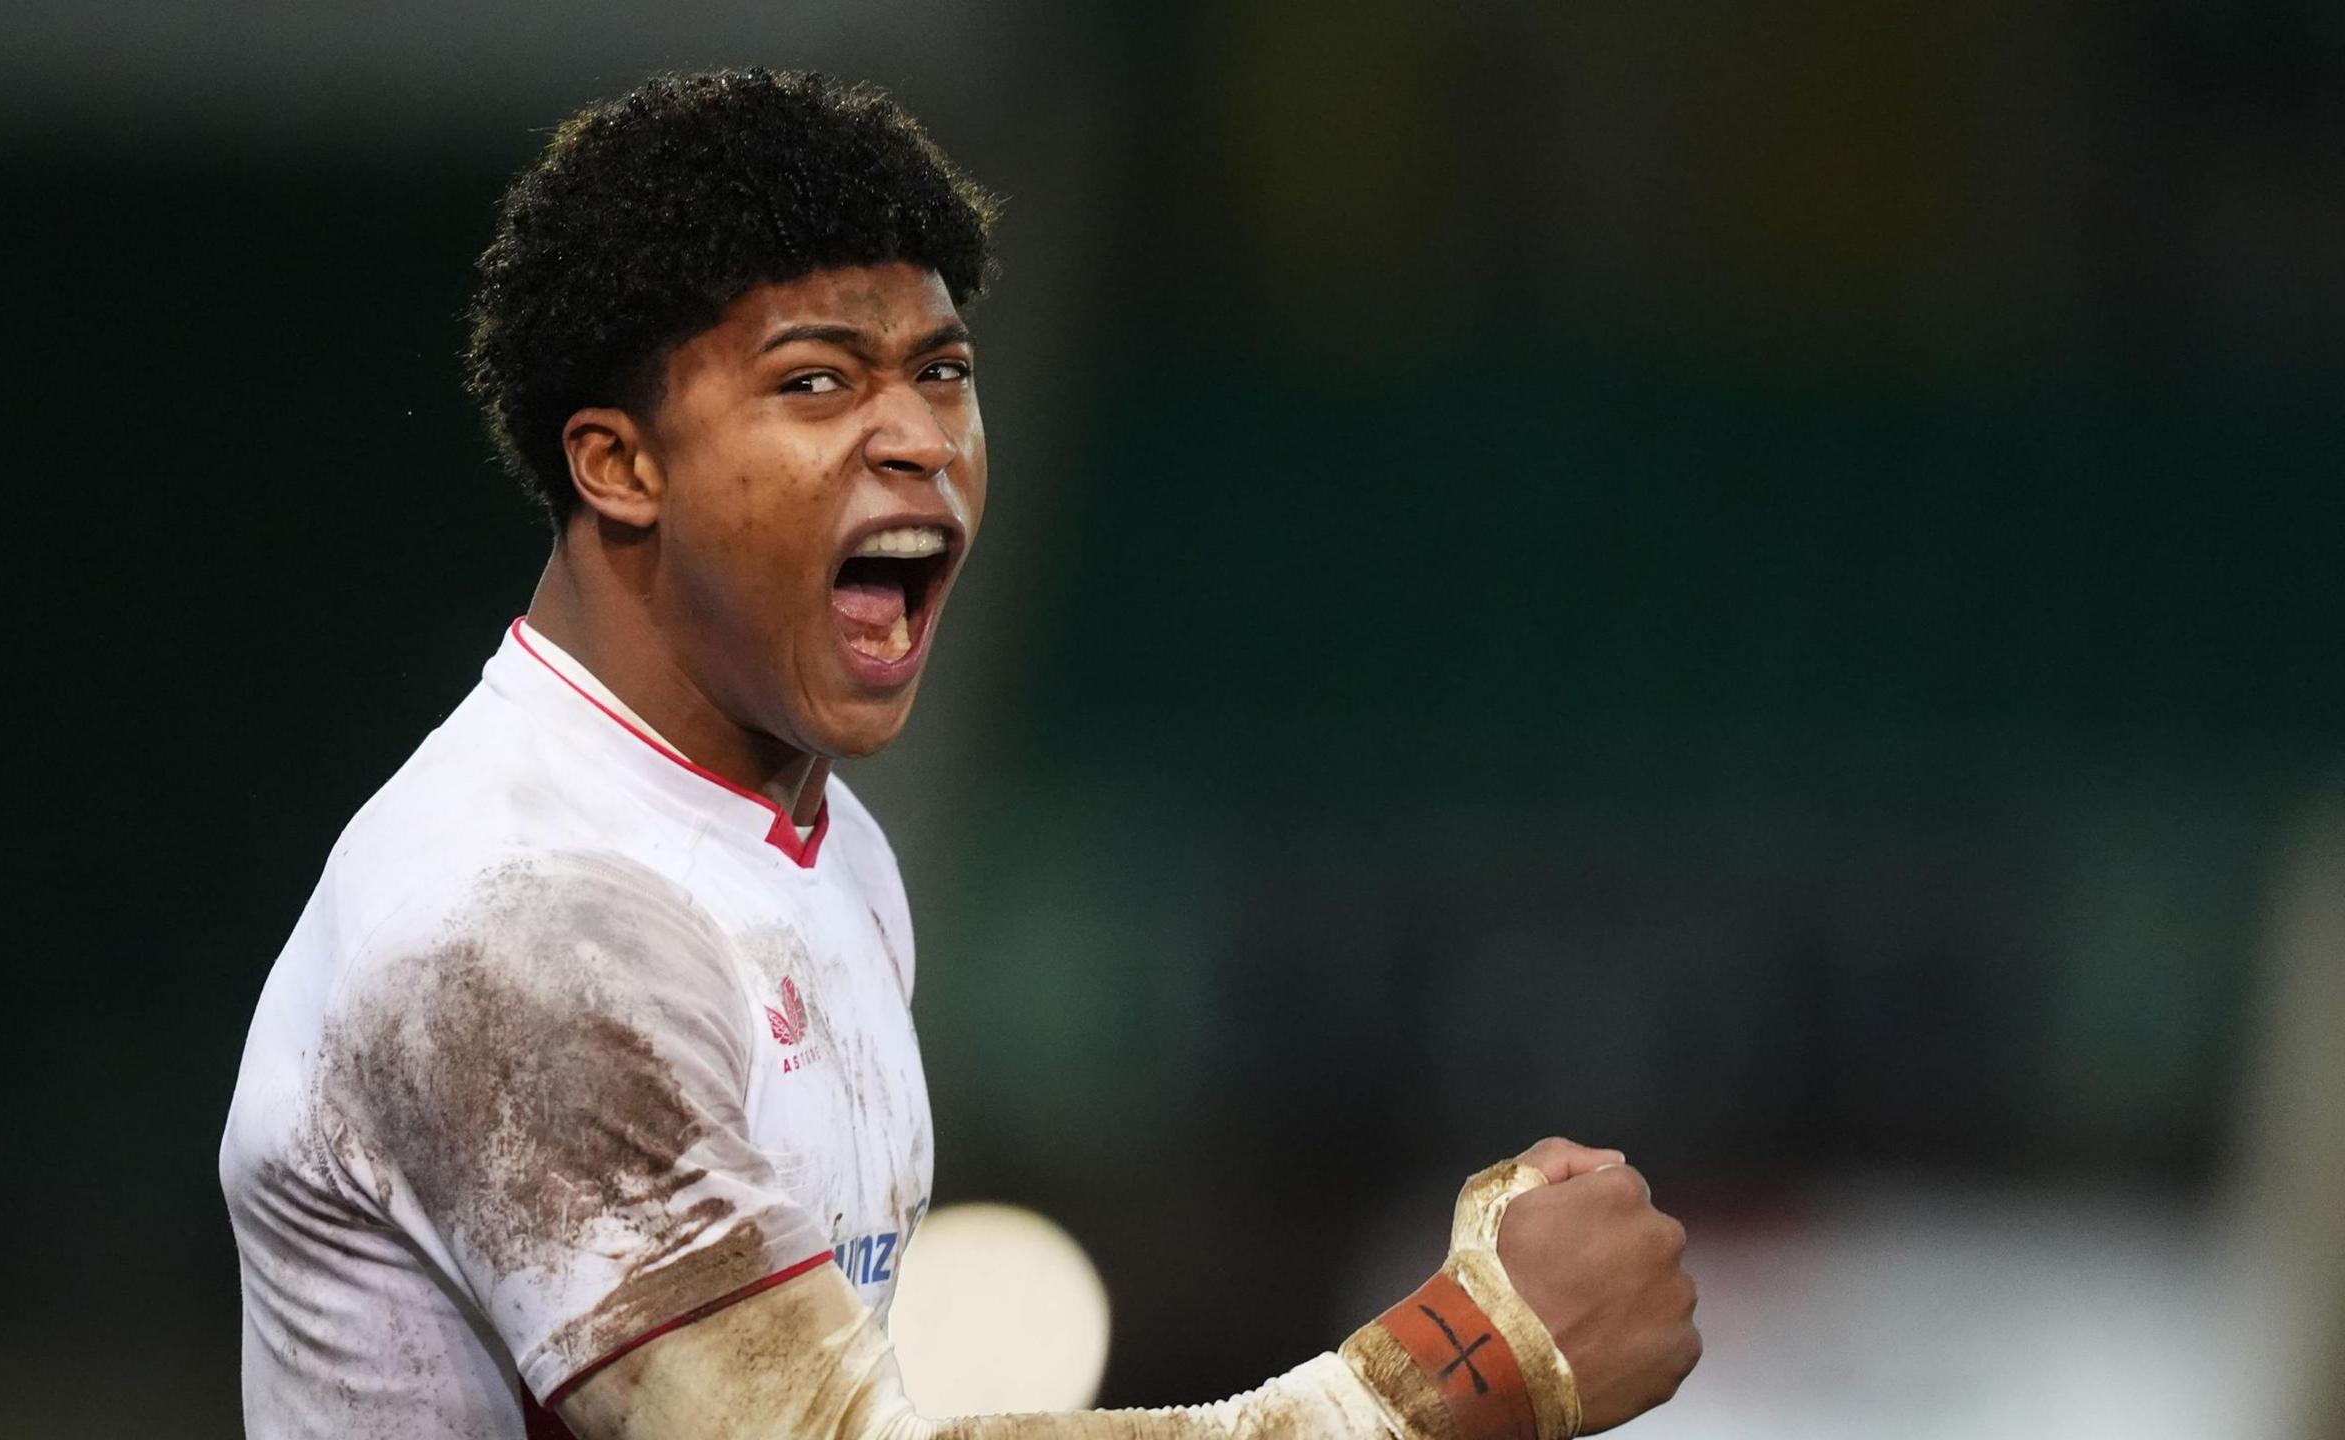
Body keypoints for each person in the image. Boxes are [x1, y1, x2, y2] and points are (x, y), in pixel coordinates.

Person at [218, 69, 1699, 1440]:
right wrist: (1459, 1369)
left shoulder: (818, 843)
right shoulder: (521, 933)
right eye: (817, 383)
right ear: (620, 465)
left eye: (940, 371)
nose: (918, 437)